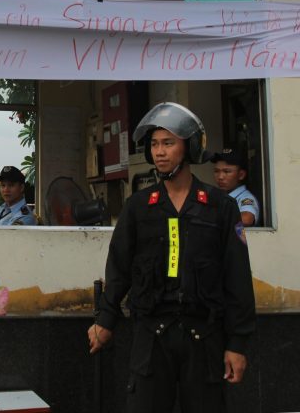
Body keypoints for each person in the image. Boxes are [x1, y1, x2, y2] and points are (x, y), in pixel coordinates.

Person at [88, 102, 256, 413]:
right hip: (152, 337)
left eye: (168, 143)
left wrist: (237, 344)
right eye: (154, 144)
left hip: (204, 337)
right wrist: (105, 319)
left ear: (189, 147)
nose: (159, 152)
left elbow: (237, 277)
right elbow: (119, 267)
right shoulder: (139, 206)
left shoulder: (220, 207)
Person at [211, 148, 260, 226]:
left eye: (227, 171)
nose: (220, 177)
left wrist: (209, 217)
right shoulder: (218, 196)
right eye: (216, 171)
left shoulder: (245, 198)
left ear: (241, 175)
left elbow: (247, 219)